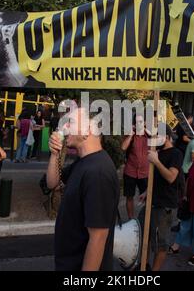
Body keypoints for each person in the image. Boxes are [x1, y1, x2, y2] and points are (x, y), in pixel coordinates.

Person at [47, 107, 119, 271]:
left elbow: (98, 238)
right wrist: (54, 154)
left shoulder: (98, 172)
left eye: (70, 122)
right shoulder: (83, 162)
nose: (64, 127)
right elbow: (53, 183)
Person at [138, 123, 184, 271]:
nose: (154, 140)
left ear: (168, 137)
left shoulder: (176, 153)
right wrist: (146, 191)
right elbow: (155, 178)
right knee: (143, 235)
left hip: (165, 206)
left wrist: (156, 161)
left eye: (157, 137)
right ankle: (144, 265)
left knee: (160, 243)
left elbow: (171, 177)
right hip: (152, 202)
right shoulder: (156, 151)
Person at [121, 114, 149, 219]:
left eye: (141, 122)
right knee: (129, 196)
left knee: (147, 197)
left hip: (145, 173)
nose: (139, 124)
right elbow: (123, 147)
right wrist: (130, 135)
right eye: (137, 122)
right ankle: (130, 219)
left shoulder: (149, 136)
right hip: (130, 171)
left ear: (145, 123)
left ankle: (145, 220)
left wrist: (147, 131)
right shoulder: (130, 135)